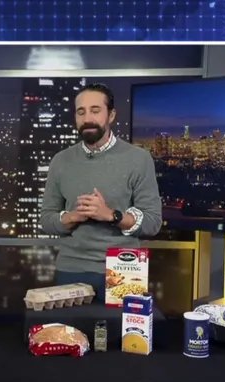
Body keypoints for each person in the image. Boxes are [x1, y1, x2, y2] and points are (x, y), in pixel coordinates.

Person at [41, 83, 162, 301]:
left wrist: (111, 215)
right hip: (71, 267)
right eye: (81, 112)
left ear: (111, 115)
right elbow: (47, 220)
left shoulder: (138, 159)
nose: (87, 118)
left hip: (125, 268)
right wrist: (74, 216)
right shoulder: (61, 161)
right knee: (71, 334)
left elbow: (153, 222)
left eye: (95, 110)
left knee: (124, 335)